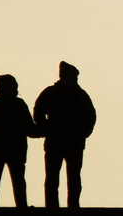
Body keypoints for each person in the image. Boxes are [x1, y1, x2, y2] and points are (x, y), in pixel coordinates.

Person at [33, 61, 97, 208]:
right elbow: (39, 112)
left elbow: (90, 116)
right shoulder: (77, 94)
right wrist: (45, 128)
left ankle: (62, 206)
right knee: (59, 177)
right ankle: (62, 206)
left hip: (67, 140)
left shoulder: (56, 93)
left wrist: (84, 133)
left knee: (65, 177)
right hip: (63, 140)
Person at [0, 74, 37, 208]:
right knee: (18, 180)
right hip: (16, 149)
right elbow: (30, 128)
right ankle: (21, 207)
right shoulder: (19, 104)